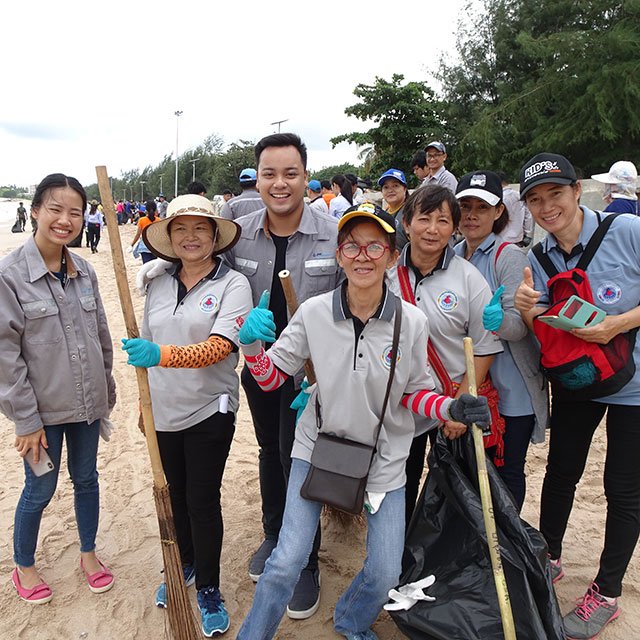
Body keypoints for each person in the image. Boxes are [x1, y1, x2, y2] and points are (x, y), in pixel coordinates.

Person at [235, 202, 490, 640]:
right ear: (339, 255)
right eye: (352, 246)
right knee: (286, 559)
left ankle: (352, 621)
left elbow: (415, 393)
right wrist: (253, 348)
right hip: (317, 447)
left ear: (392, 257)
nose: (363, 256)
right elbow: (273, 376)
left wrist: (452, 408)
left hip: (385, 457)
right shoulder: (313, 311)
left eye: (376, 247)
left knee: (387, 569)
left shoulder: (411, 321)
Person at [514, 152, 640, 639]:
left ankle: (606, 593)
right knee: (562, 470)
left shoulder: (626, 231)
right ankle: (550, 556)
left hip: (634, 384)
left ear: (576, 191)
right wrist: (529, 311)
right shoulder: (538, 257)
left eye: (556, 194)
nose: (548, 208)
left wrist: (617, 323)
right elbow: (546, 332)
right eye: (536, 200)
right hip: (578, 381)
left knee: (623, 489)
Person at [121, 194, 252, 637]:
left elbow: (219, 347)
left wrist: (161, 354)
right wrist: (145, 408)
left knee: (201, 499)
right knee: (174, 497)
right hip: (162, 410)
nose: (191, 237)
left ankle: (210, 588)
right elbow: (144, 347)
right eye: (181, 229)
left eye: (200, 228)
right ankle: (187, 563)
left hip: (209, 408)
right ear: (169, 238)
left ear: (215, 235)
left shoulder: (233, 285)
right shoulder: (156, 283)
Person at [0, 173, 116, 604]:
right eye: (56, 209)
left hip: (87, 406)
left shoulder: (84, 270)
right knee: (40, 489)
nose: (66, 220)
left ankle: (88, 554)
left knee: (87, 479)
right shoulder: (10, 275)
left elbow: (101, 334)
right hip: (41, 415)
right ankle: (24, 565)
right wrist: (25, 422)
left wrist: (106, 391)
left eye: (75, 211)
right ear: (35, 211)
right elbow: (6, 359)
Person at [386, 184, 503, 523]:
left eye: (443, 221)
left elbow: (483, 347)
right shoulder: (386, 274)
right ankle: (398, 552)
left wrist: (460, 404)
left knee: (453, 491)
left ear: (454, 228)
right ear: (406, 223)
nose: (433, 229)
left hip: (451, 402)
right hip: (400, 403)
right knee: (398, 484)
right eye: (424, 218)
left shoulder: (469, 278)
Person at [453, 170, 548, 511]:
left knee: (507, 470)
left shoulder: (508, 256)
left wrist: (495, 323)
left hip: (510, 388)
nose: (472, 215)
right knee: (474, 470)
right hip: (470, 382)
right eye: (465, 206)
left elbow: (519, 327)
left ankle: (506, 546)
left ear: (498, 213)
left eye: (482, 206)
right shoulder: (452, 254)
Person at [496, 171, 534, 246]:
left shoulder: (499, 199)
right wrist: (526, 232)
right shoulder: (519, 195)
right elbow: (528, 216)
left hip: (501, 239)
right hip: (518, 239)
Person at [377, 168, 409, 250]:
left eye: (395, 186)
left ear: (404, 189)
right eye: (386, 187)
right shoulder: (384, 213)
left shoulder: (411, 212)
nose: (390, 190)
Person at [130, 199, 160, 263]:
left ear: (146, 210)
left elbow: (138, 234)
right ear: (155, 209)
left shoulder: (141, 220)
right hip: (155, 247)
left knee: (146, 265)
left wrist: (131, 245)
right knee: (153, 266)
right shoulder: (159, 220)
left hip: (144, 246)